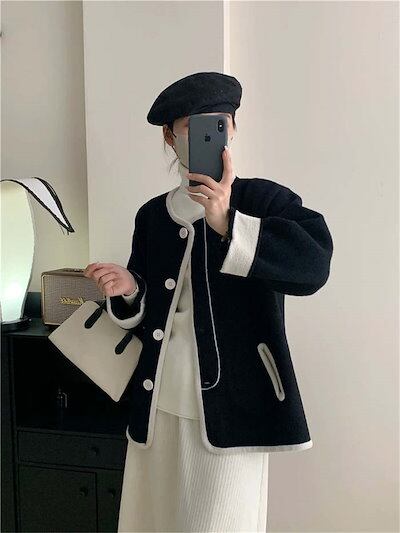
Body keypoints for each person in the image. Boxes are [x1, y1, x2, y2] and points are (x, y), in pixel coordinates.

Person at [84, 71, 334, 532]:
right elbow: (145, 314)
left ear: (232, 129)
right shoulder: (152, 215)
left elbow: (314, 265)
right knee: (153, 522)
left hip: (233, 408)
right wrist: (130, 289)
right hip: (159, 404)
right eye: (190, 126)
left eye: (217, 123)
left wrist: (227, 221)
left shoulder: (263, 200)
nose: (205, 135)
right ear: (170, 136)